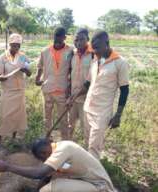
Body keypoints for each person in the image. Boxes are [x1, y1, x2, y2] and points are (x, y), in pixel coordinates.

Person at [0, 139, 116, 192]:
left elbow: (39, 173)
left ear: (44, 152)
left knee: (47, 191)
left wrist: (8, 167)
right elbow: (45, 178)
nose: (43, 162)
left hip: (101, 189)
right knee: (48, 188)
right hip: (92, 185)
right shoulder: (57, 150)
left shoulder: (63, 149)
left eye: (42, 159)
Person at [67, 31, 129, 159]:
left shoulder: (120, 62)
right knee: (88, 141)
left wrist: (118, 114)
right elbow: (88, 84)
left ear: (107, 44)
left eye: (97, 48)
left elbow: (125, 90)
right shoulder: (95, 61)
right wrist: (74, 96)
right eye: (93, 48)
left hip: (102, 112)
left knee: (94, 146)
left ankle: (95, 176)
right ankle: (89, 169)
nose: (94, 51)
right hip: (87, 108)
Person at [35, 27, 73, 140]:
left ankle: (65, 141)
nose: (57, 39)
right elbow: (39, 66)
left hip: (62, 90)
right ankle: (47, 139)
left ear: (64, 38)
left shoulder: (70, 51)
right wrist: (37, 78)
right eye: (56, 36)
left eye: (60, 37)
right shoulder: (45, 51)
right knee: (47, 117)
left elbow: (72, 68)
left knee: (63, 119)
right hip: (48, 88)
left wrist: (70, 85)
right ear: (53, 36)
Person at [0, 33, 31, 147]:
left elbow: (29, 73)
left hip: (19, 91)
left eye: (18, 46)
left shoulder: (23, 57)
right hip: (8, 92)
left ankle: (14, 138)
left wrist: (26, 71)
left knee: (18, 117)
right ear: (9, 44)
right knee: (4, 117)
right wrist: (3, 77)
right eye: (13, 45)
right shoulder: (2, 57)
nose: (15, 48)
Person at [68, 28, 94, 143]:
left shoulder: (93, 55)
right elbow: (69, 75)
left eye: (82, 39)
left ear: (87, 40)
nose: (79, 42)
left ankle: (88, 154)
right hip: (73, 98)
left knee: (86, 128)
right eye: (76, 40)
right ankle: (68, 148)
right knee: (70, 126)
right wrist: (68, 95)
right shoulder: (72, 54)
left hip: (87, 99)